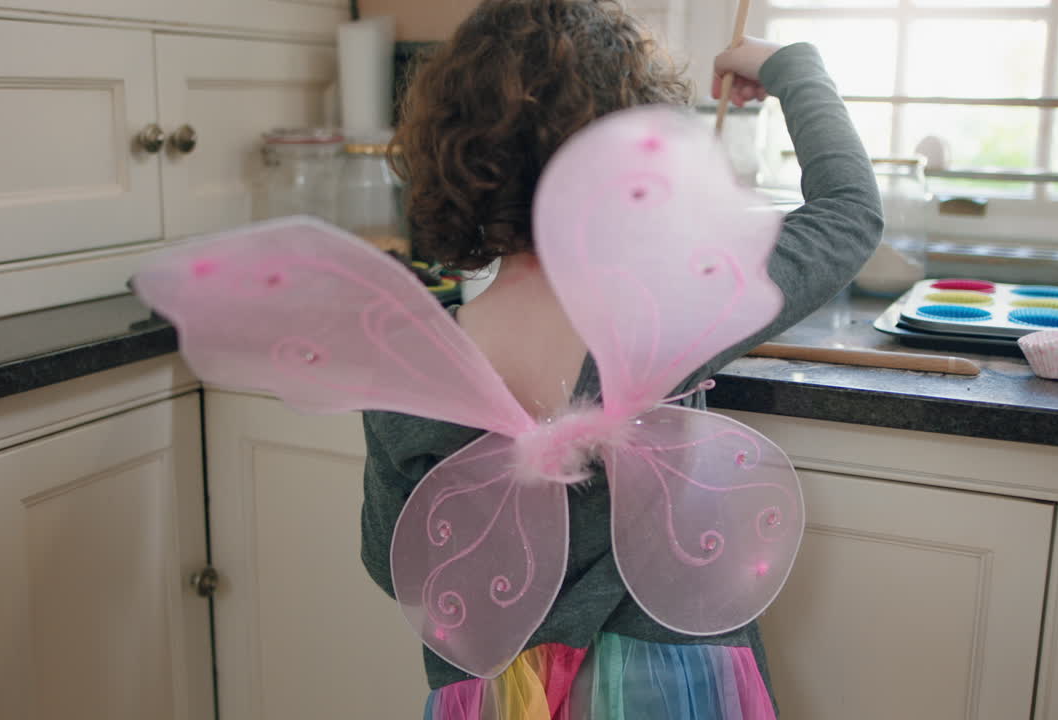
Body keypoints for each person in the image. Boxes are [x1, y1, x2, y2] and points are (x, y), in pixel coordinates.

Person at [364, 1, 883, 717]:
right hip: (668, 686)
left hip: (500, 693)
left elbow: (390, 562)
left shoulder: (406, 370)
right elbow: (849, 211)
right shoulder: (674, 314)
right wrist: (791, 67)